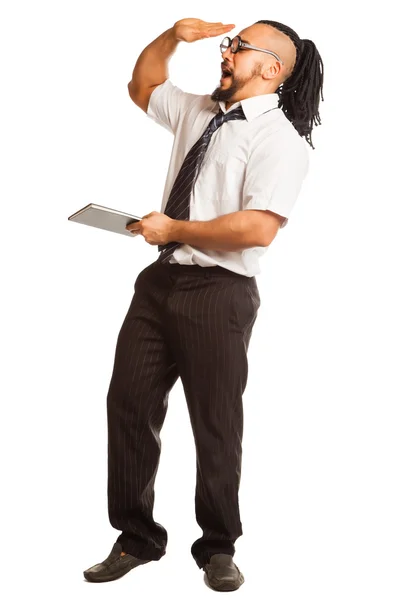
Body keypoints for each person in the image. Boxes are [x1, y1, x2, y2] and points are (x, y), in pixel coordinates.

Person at [83, 17, 324, 592]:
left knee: (215, 423)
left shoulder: (279, 141)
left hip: (220, 294)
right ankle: (137, 537)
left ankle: (217, 547)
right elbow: (142, 85)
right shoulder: (199, 112)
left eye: (237, 47)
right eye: (227, 43)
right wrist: (172, 36)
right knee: (128, 405)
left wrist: (176, 228)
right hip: (159, 286)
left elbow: (257, 228)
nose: (227, 51)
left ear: (271, 68)